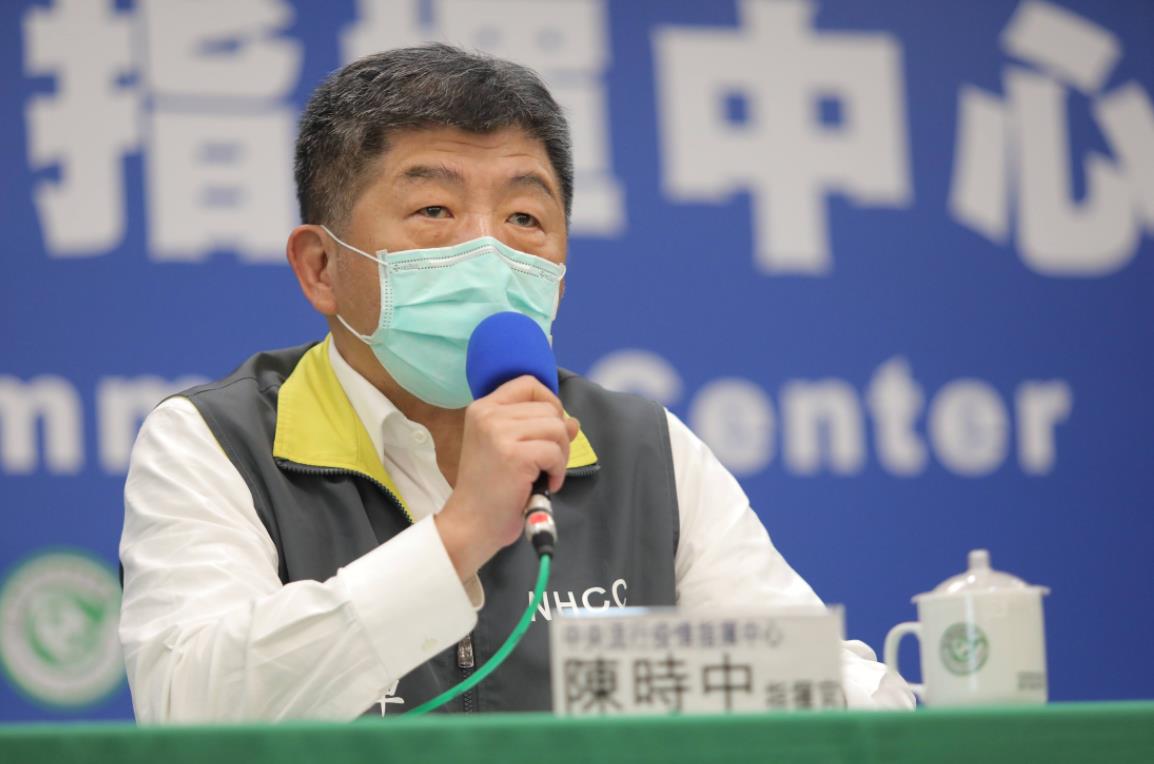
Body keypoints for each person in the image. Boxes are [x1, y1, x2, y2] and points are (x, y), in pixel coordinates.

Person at [119, 44, 914, 721]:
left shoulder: (642, 451)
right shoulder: (217, 443)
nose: (488, 251)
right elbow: (189, 704)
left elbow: (808, 682)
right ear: (321, 267)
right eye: (434, 209)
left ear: (561, 271)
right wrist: (459, 534)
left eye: (524, 219)